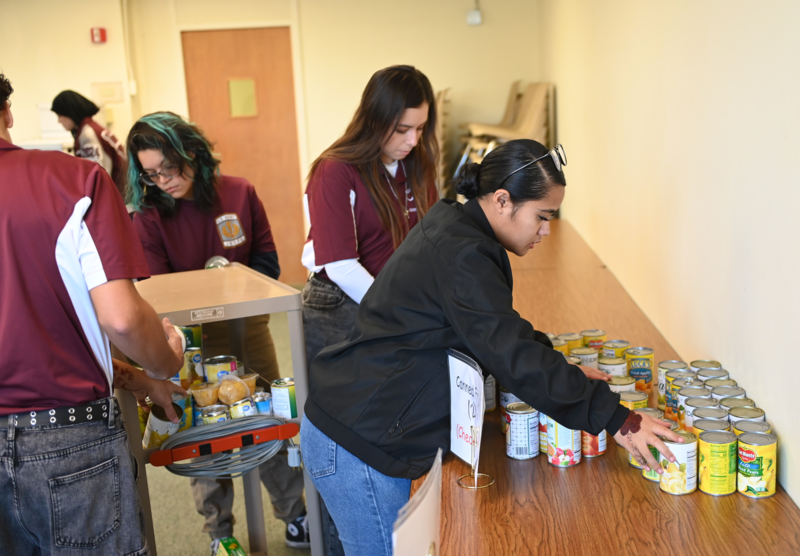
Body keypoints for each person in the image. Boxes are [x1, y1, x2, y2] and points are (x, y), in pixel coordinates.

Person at [300, 139, 684, 556]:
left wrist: (563, 368)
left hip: (365, 426)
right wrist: (617, 418)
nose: (546, 230)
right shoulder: (464, 253)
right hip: (358, 444)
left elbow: (498, 328)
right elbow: (511, 352)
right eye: (542, 216)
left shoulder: (456, 223)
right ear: (502, 200)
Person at [0, 73, 186, 555]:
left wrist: (138, 382)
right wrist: (164, 363)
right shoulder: (72, 181)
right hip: (68, 438)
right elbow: (122, 318)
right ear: (8, 113)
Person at [126, 112, 309, 553]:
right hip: (187, 342)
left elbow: (267, 263)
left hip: (248, 329)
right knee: (204, 435)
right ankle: (219, 533)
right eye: (150, 174)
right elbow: (159, 292)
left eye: (169, 168)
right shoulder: (148, 216)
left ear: (194, 153)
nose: (162, 181)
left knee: (266, 420)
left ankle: (294, 514)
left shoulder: (240, 193)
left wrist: (226, 280)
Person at [299, 64, 439, 554]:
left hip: (391, 303)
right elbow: (340, 264)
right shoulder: (335, 170)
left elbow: (429, 240)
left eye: (420, 129)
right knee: (347, 439)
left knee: (387, 428)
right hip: (341, 304)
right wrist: (402, 313)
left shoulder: (415, 164)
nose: (411, 139)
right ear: (374, 119)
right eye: (401, 129)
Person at [52, 89, 127, 197]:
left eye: (60, 115)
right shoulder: (92, 127)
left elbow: (97, 177)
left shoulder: (88, 134)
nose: (59, 121)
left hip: (117, 196)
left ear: (70, 112)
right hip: (122, 192)